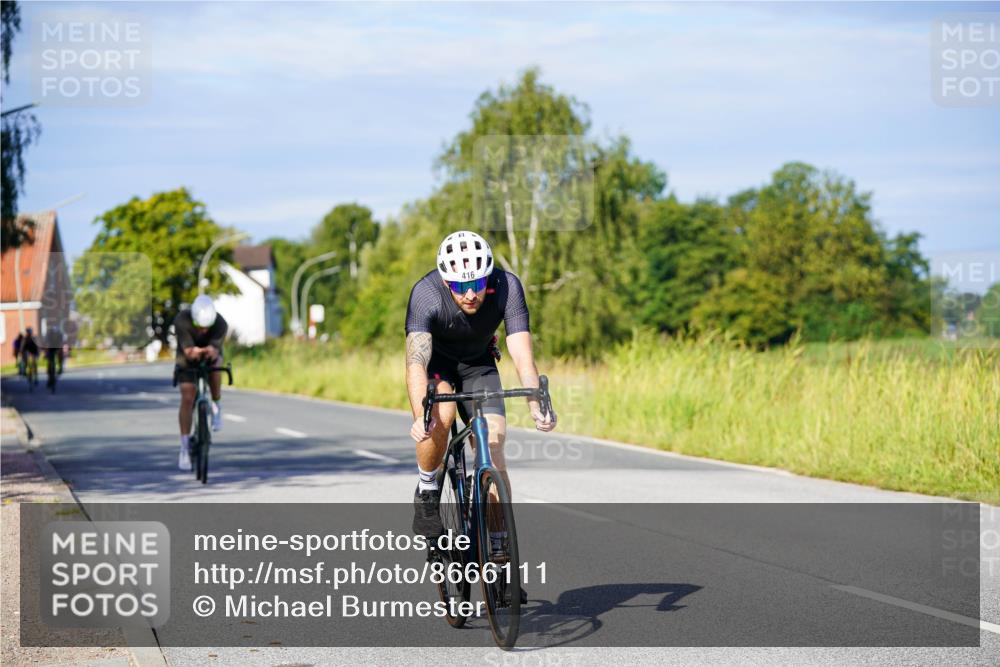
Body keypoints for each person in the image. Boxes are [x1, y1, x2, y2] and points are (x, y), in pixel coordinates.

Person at [405, 230, 556, 544]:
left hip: (479, 365)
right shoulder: (426, 293)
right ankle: (428, 491)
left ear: (488, 277)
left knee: (494, 446)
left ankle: (499, 548)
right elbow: (416, 361)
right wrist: (422, 413)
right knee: (441, 417)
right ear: (447, 282)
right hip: (438, 367)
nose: (471, 294)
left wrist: (535, 404)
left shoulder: (506, 287)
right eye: (461, 286)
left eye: (477, 284)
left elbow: (522, 356)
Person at [173, 295, 228, 471]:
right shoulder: (182, 320)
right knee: (188, 396)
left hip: (210, 356)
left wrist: (207, 351)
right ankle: (184, 447)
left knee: (216, 365)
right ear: (193, 320)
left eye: (207, 327)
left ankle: (216, 404)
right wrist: (198, 351)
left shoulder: (220, 323)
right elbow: (189, 353)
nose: (204, 330)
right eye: (199, 326)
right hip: (186, 358)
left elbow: (213, 351)